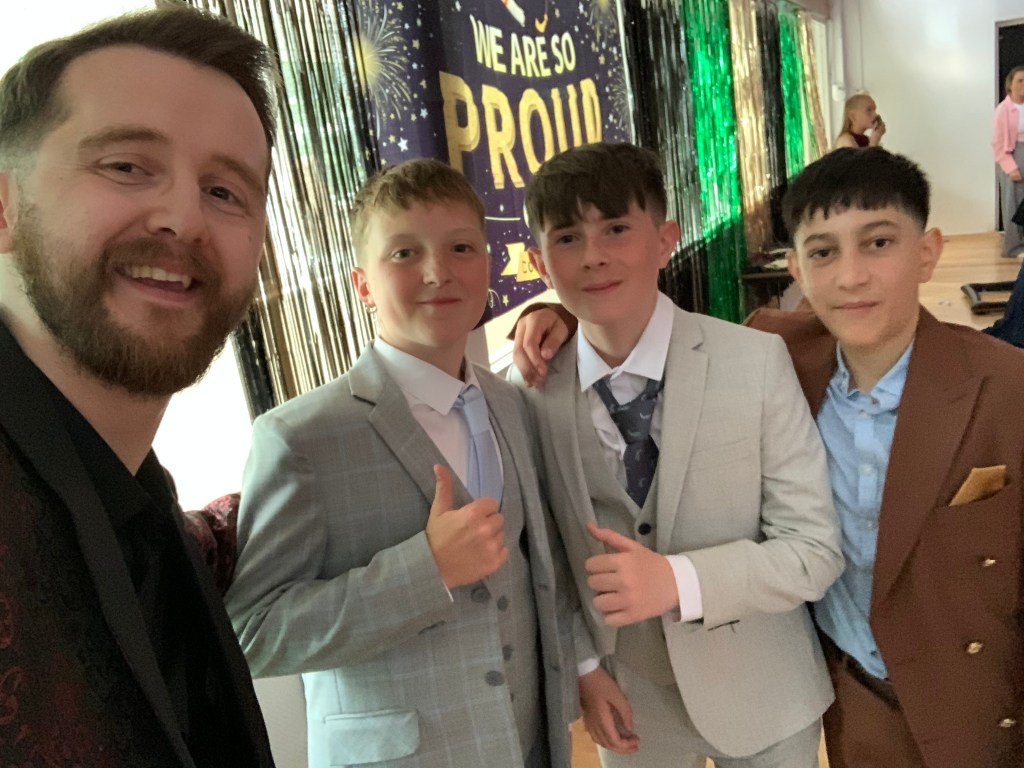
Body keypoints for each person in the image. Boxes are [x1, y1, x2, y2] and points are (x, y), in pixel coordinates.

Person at [516, 146, 1024, 768]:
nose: (851, 276)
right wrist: (557, 313)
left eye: (878, 243)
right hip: (844, 688)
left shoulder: (1005, 388)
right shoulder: (780, 345)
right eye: (824, 253)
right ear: (797, 270)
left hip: (970, 687)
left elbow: (811, 545)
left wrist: (678, 580)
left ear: (927, 252)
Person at [224, 158, 578, 768]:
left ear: (487, 265)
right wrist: (427, 569)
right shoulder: (299, 438)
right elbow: (252, 634)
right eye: (405, 253)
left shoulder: (510, 402)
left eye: (460, 248)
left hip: (528, 741)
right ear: (363, 286)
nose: (439, 271)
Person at [0, 5, 277, 766]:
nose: (183, 218)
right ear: (4, 207)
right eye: (126, 166)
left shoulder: (145, 512)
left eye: (225, 191)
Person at [512, 142, 843, 768]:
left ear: (666, 239)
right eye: (567, 238)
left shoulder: (754, 362)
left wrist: (678, 581)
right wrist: (584, 667)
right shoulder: (530, 391)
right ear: (538, 262)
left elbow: (813, 549)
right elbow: (543, 553)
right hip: (629, 700)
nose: (594, 255)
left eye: (616, 229)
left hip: (763, 692)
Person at [992, 65, 1024, 257]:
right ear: (1010, 85)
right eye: (1020, 80)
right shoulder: (1003, 110)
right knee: (1013, 203)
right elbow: (997, 144)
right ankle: (1013, 248)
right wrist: (1011, 167)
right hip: (1011, 156)